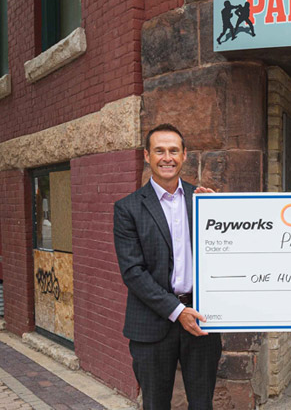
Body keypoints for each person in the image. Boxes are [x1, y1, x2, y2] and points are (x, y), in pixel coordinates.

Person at [114, 123, 220, 409]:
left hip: (200, 320)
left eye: (174, 150)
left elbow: (226, 252)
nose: (167, 157)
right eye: (159, 151)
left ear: (185, 155)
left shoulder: (202, 200)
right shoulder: (128, 208)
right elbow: (133, 273)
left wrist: (218, 213)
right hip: (152, 324)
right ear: (147, 156)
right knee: (156, 404)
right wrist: (177, 312)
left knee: (202, 405)